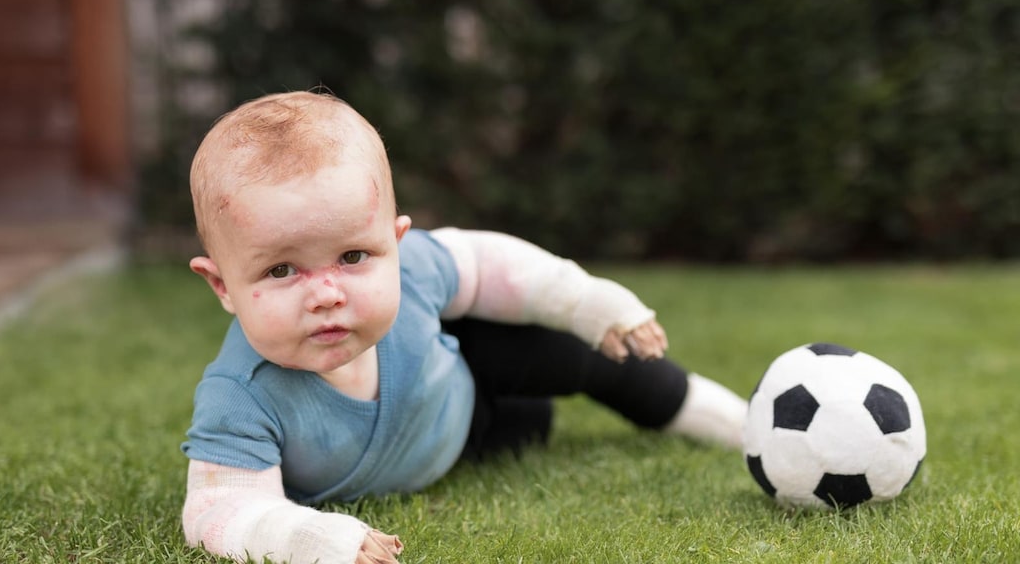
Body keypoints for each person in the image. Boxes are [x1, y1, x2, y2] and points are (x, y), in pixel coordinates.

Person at [181, 90, 748, 564]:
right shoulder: (240, 397)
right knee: (530, 427)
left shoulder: (415, 271)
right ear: (222, 285)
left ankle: (741, 425)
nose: (328, 294)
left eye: (353, 256)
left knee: (591, 354)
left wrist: (587, 301)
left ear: (395, 244)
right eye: (282, 270)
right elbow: (219, 509)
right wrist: (311, 540)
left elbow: (487, 263)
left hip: (468, 366)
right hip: (468, 437)